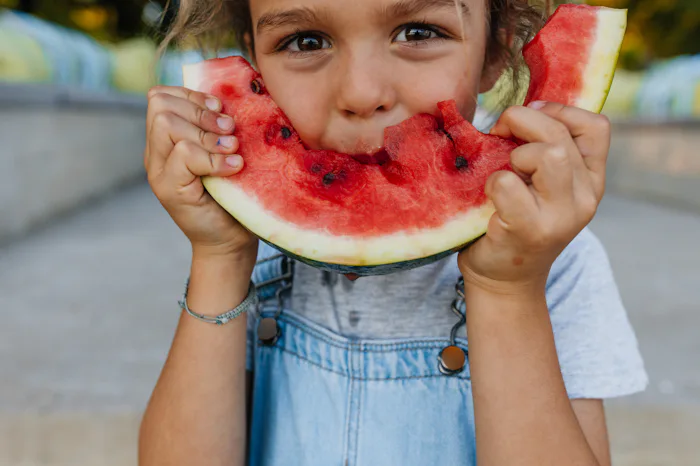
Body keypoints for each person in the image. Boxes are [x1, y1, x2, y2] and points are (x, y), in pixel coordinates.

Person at [138, 0, 648, 465]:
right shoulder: (253, 253)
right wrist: (219, 259)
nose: (362, 93)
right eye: (305, 42)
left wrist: (509, 288)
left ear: (496, 49)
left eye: (417, 31)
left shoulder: (558, 264)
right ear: (253, 60)